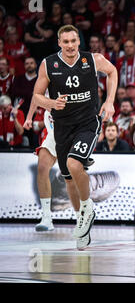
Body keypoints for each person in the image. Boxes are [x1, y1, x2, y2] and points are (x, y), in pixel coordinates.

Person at [32, 24, 117, 244]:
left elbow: (112, 72)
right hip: (61, 126)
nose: (70, 45)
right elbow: (37, 96)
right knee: (69, 178)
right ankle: (82, 220)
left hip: (87, 123)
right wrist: (51, 103)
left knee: (74, 164)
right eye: (66, 42)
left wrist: (109, 102)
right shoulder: (48, 64)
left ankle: (88, 208)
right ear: (59, 43)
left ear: (79, 41)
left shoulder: (93, 59)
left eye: (73, 41)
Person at [23, 99, 94, 250]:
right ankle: (46, 217)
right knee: (42, 166)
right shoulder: (47, 75)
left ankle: (81, 221)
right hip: (54, 128)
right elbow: (36, 96)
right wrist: (29, 117)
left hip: (75, 129)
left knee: (70, 178)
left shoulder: (80, 77)